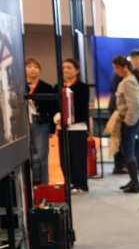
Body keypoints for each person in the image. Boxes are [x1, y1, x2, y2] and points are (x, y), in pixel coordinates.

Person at [55, 57, 90, 193]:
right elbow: (54, 106)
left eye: (69, 68)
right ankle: (68, 182)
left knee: (78, 157)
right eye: (64, 68)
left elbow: (82, 108)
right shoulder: (58, 87)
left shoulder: (82, 87)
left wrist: (69, 118)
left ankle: (80, 184)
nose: (66, 70)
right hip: (62, 127)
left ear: (77, 70)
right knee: (65, 157)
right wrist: (57, 116)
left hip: (77, 127)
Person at [112, 55, 139, 193]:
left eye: (117, 68)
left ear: (124, 67)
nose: (116, 71)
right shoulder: (127, 80)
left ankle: (135, 183)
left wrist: (129, 120)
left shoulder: (128, 81)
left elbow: (135, 104)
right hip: (130, 120)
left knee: (129, 150)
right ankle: (132, 181)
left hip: (131, 121)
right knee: (127, 150)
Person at [25, 57, 56, 185]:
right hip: (22, 125)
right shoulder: (16, 85)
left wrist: (52, 128)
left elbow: (53, 109)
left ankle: (43, 184)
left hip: (40, 123)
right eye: (29, 66)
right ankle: (27, 184)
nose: (33, 69)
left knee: (42, 154)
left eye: (36, 67)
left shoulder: (46, 87)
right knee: (24, 155)